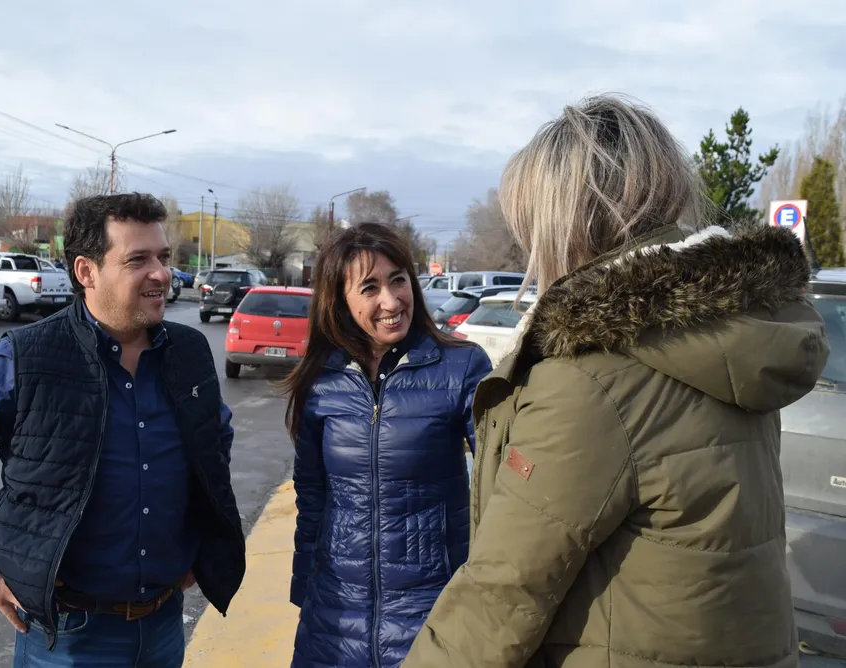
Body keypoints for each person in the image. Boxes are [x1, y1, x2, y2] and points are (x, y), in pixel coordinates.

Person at [403, 95, 830, 668]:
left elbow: (499, 595)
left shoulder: (593, 375)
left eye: (530, 222)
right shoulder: (727, 333)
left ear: (569, 221)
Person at [0, 193, 246, 667]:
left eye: (163, 257)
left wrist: (200, 540)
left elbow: (213, 442)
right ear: (86, 272)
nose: (162, 274)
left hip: (164, 626)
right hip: (69, 638)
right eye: (137, 260)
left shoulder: (189, 352)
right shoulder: (26, 357)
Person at [282, 222, 492, 668]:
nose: (391, 301)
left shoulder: (461, 366)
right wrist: (306, 592)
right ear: (339, 299)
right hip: (335, 619)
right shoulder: (321, 379)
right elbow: (313, 499)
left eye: (398, 280)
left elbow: (503, 485)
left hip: (434, 611)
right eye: (370, 287)